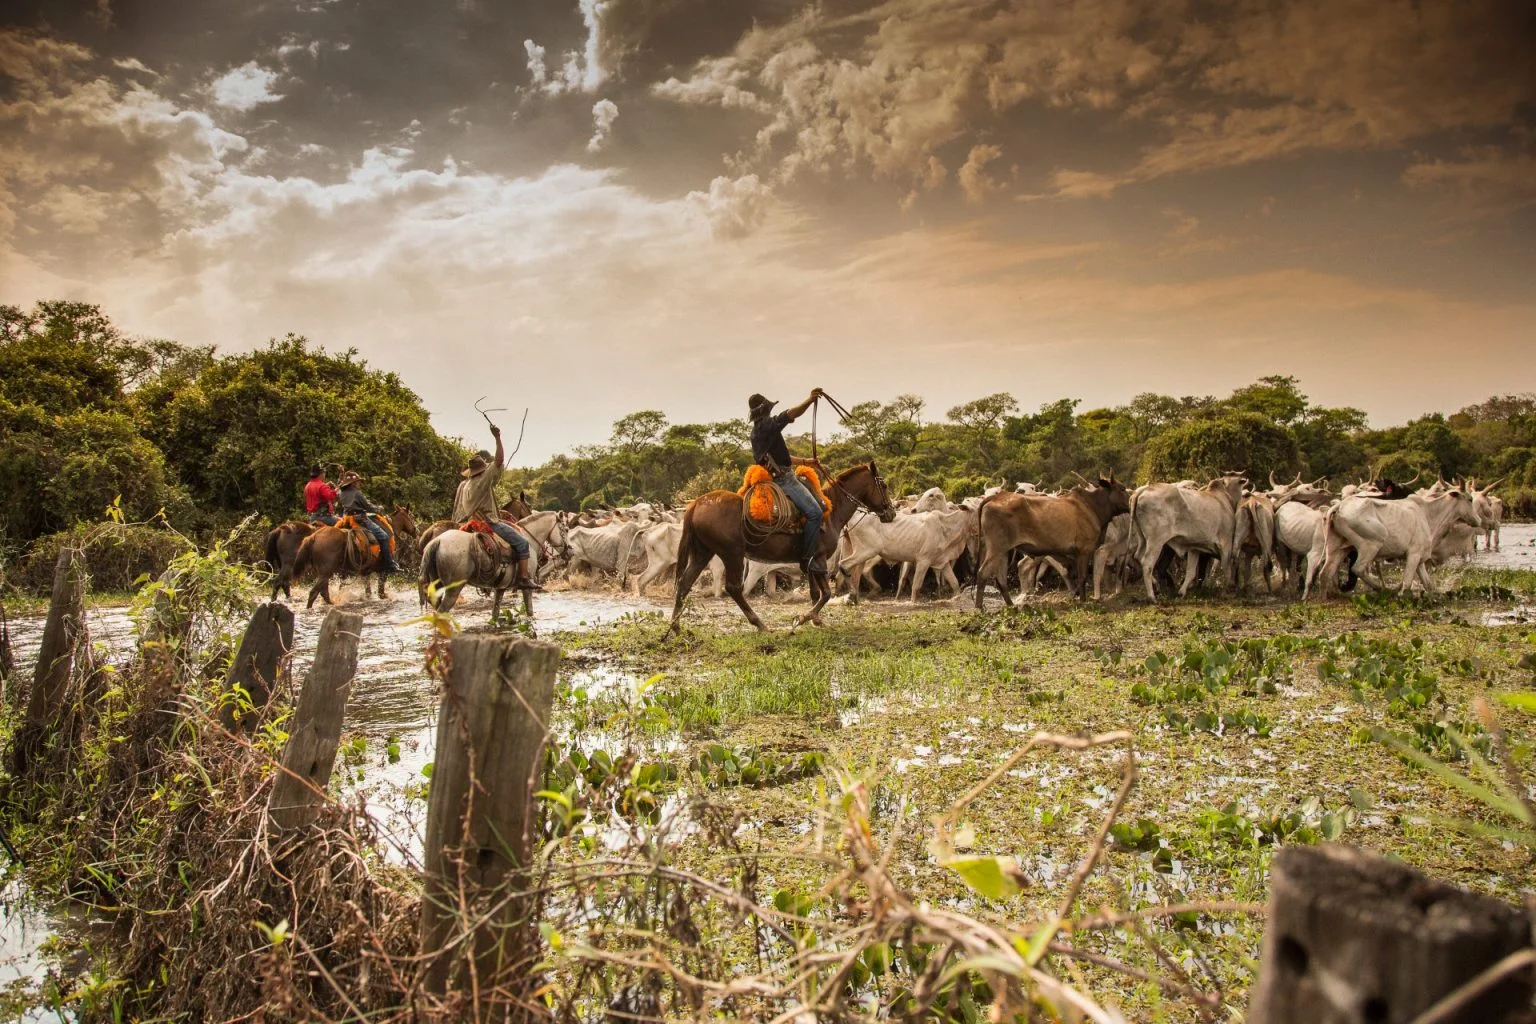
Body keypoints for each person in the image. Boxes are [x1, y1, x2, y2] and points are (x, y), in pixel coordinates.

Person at [452, 423, 541, 591]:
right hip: (489, 523)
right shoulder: (483, 480)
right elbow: (499, 460)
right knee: (522, 544)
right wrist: (498, 438)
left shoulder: (468, 484)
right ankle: (523, 578)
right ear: (482, 470)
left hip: (472, 522)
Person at [748, 389, 828, 572]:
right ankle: (808, 560)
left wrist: (806, 462)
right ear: (765, 410)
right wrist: (810, 399)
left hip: (774, 477)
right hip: (784, 479)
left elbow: (781, 457)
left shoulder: (756, 432)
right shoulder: (768, 425)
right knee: (816, 513)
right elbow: (792, 414)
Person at [336, 470, 401, 574]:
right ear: (353, 483)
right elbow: (367, 506)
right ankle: (389, 563)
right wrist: (378, 508)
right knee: (384, 536)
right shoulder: (357, 493)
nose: (359, 483)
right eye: (357, 482)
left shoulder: (341, 493)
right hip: (360, 520)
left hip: (346, 519)